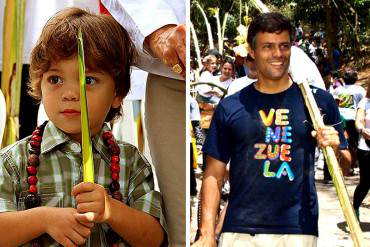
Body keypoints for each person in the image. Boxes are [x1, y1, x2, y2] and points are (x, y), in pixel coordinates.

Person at [0, 8, 165, 247]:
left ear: (118, 93)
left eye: (88, 80)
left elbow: (154, 239)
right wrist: (43, 219)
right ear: (39, 85)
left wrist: (111, 210)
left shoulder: (131, 162)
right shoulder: (13, 162)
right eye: (55, 79)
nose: (70, 94)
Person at [193, 12, 347, 247]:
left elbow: (345, 165)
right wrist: (206, 233)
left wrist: (335, 148)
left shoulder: (318, 103)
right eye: (268, 47)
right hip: (240, 231)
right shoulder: (230, 106)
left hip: (298, 230)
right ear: (252, 52)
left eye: (284, 46)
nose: (277, 54)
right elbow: (213, 173)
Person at [100, 1, 186, 246]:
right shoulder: (16, 160)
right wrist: (158, 28)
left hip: (171, 73)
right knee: (180, 231)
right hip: (169, 67)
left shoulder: (129, 160)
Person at [353, 80, 370, 220]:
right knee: (365, 182)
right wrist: (362, 129)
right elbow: (358, 120)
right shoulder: (365, 102)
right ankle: (355, 209)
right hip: (366, 148)